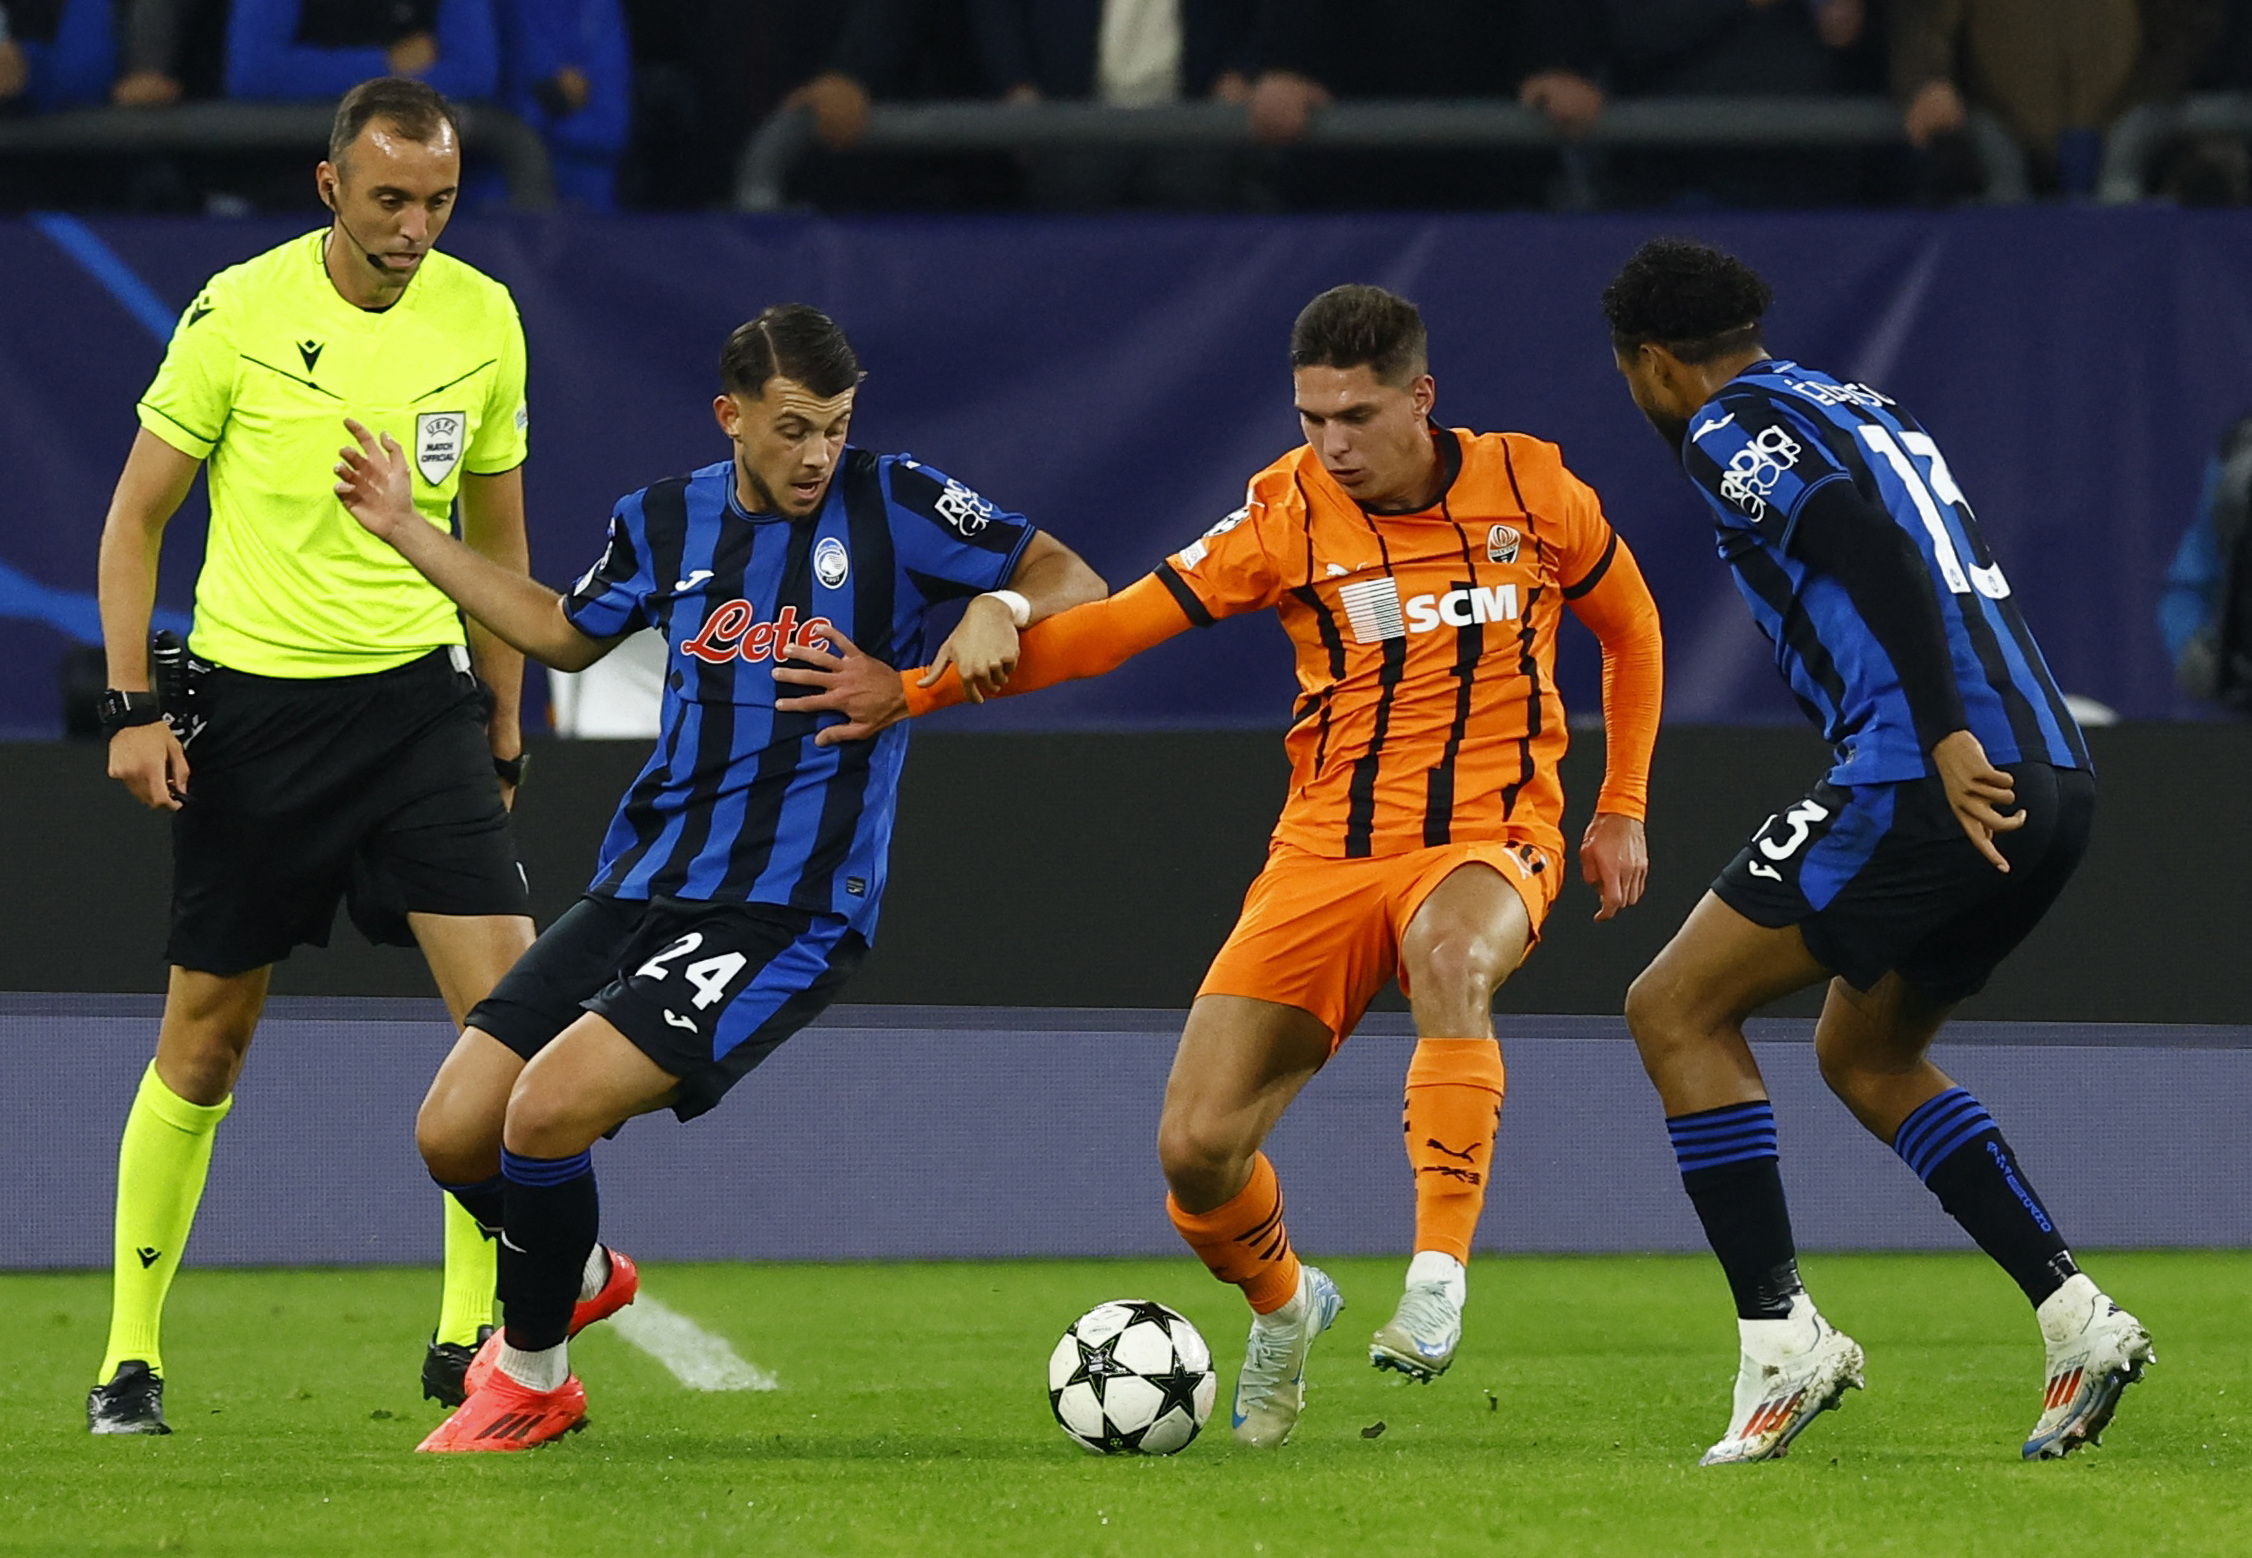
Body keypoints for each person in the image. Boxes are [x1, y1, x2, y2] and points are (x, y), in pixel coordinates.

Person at [778, 284, 1665, 1445]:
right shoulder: (1284, 512)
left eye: (1354, 415)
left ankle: (1437, 1275)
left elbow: (1632, 626)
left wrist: (1622, 807)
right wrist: (925, 682)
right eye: (1310, 417)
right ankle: (1288, 1305)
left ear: (1419, 398)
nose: (1330, 443)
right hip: (1320, 854)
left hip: (1487, 835)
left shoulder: (1530, 487)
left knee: (1450, 955)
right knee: (1195, 1151)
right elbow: (1112, 628)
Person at [330, 303, 1107, 1453]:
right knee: (453, 1132)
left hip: (786, 907)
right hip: (643, 882)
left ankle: (534, 1376)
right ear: (729, 416)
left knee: (543, 1114)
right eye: (792, 428)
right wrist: (407, 530)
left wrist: (997, 605)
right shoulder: (657, 520)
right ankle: (578, 1266)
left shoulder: (893, 504)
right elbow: (559, 631)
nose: (815, 455)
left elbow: (1070, 575)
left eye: (835, 427)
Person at [1599, 237, 2152, 1465]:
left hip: (1925, 772)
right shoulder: (1860, 403)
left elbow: (1873, 553)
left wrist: (1945, 736)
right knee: (1865, 1050)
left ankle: (1779, 1338)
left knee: (1671, 1007)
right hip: (2052, 773)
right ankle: (2076, 1317)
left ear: (1650, 362)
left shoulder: (1725, 428)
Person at [89, 77, 537, 1434]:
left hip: (418, 709)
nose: (415, 228)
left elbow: (499, 542)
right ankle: (128, 1357)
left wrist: (505, 716)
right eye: (391, 199)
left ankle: (471, 1339)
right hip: (258, 715)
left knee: (507, 1032)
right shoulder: (239, 310)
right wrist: (131, 709)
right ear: (330, 185)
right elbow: (133, 522)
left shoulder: (484, 317)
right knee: (207, 1043)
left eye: (441, 200)